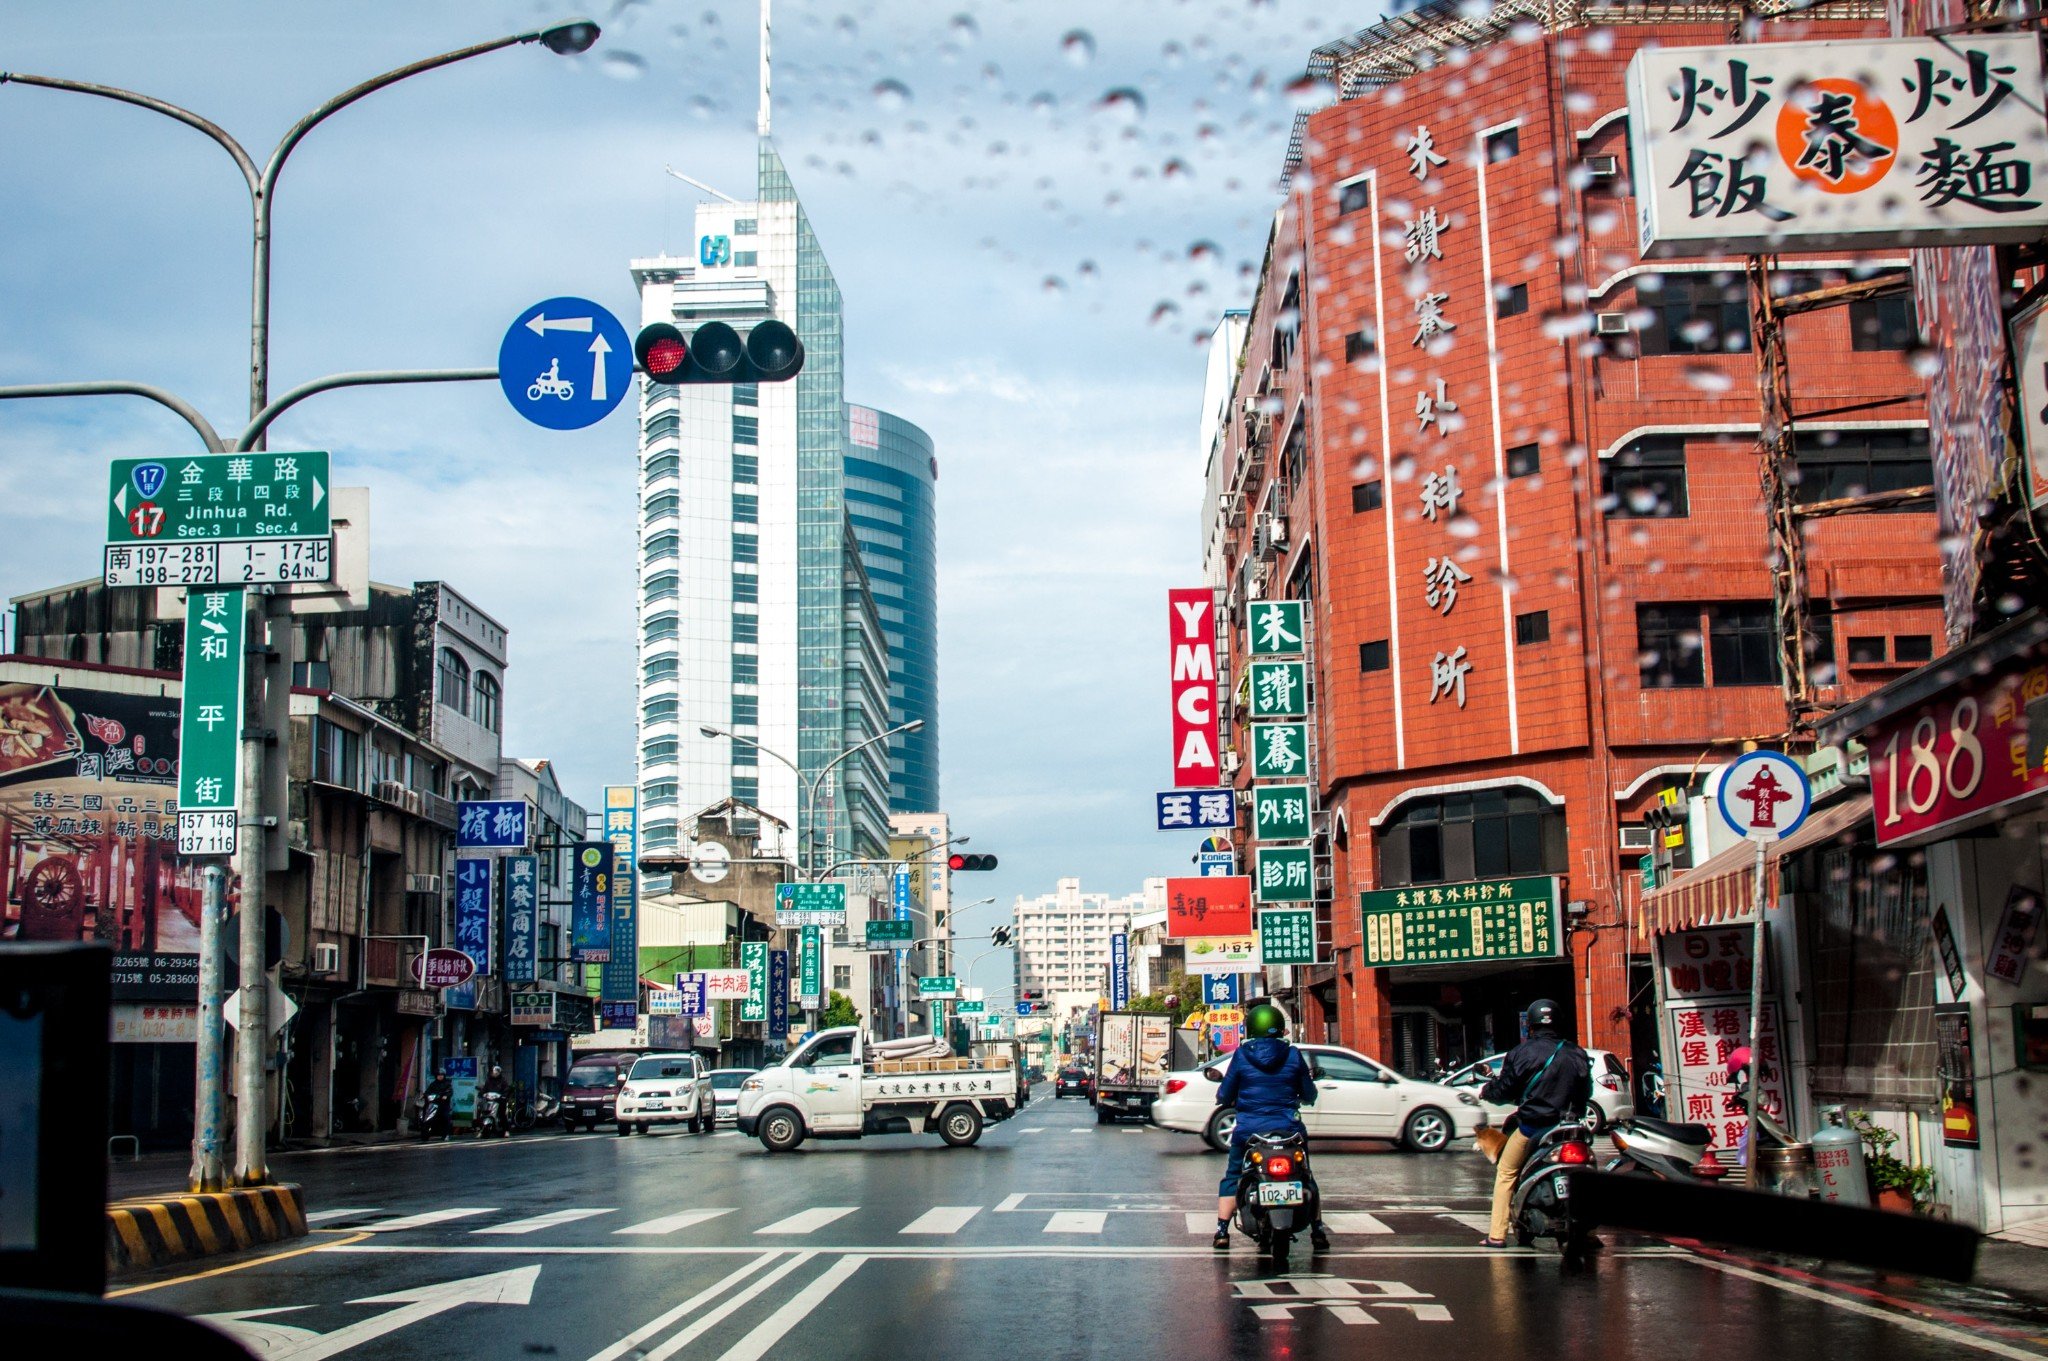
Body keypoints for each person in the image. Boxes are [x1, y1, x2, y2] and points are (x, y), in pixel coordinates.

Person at [1211, 1000, 1331, 1252]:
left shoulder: (1242, 1055)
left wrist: (1224, 1098)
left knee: (1233, 1176)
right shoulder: (1293, 1054)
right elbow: (1309, 1093)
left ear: (1250, 1028)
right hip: (1289, 1129)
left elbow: (1225, 1092)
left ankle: (1222, 1231)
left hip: (1249, 1131)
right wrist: (1304, 1098)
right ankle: (1318, 1231)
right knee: (1305, 1175)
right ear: (1279, 1027)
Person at [1479, 999, 1593, 1247]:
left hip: (1532, 1127)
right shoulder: (1576, 1053)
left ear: (1530, 1025)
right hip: (1569, 1129)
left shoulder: (1521, 1053)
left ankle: (1497, 1235)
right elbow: (1586, 1092)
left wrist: (1488, 1091)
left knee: (1506, 1173)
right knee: (1589, 1171)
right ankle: (1590, 1230)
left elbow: (1505, 1090)